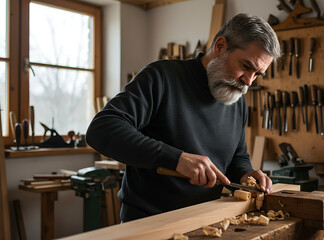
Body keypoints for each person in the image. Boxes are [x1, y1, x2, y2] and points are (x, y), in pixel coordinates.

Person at [86, 13, 280, 223]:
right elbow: (101, 129)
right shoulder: (161, 77)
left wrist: (246, 176)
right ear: (221, 46)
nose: (249, 82)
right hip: (148, 224)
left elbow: (236, 157)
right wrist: (176, 159)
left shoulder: (237, 101)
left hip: (206, 222)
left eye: (257, 74)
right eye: (246, 66)